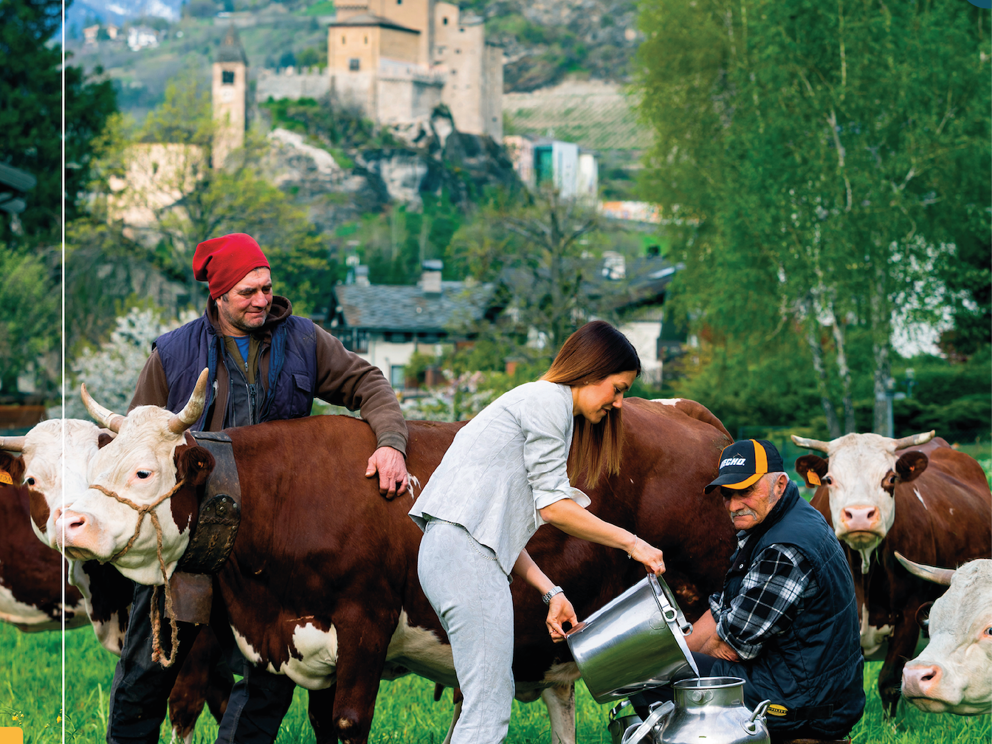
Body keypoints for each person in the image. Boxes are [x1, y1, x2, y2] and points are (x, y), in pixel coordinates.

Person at [108, 232, 411, 744]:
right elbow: (137, 441)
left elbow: (369, 383)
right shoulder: (173, 354)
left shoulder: (304, 340)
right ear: (219, 295)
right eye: (247, 292)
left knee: (267, 679)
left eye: (266, 288)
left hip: (273, 542)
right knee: (150, 666)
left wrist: (392, 442)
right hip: (190, 540)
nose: (261, 300)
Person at [409, 320, 667, 744]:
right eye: (617, 388)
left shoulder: (532, 402)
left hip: (457, 553)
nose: (619, 403)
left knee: (485, 701)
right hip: (463, 558)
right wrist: (632, 542)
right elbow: (556, 509)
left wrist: (551, 592)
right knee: (488, 708)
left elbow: (493, 531)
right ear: (589, 372)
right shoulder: (548, 402)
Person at [630, 439, 865, 740]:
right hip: (807, 683)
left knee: (650, 677)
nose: (733, 504)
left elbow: (730, 647)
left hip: (803, 703)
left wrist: (668, 663)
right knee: (664, 663)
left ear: (780, 483)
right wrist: (677, 652)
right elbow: (723, 612)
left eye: (746, 490)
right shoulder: (787, 519)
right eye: (727, 494)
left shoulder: (784, 548)